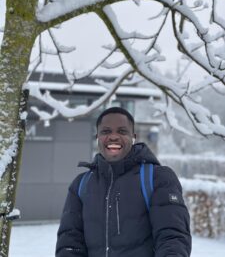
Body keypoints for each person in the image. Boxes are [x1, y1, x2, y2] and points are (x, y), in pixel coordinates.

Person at [55, 107, 192, 257]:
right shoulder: (81, 185)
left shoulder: (157, 178)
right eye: (106, 131)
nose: (113, 137)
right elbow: (69, 243)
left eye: (122, 131)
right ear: (97, 137)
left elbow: (173, 238)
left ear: (133, 137)